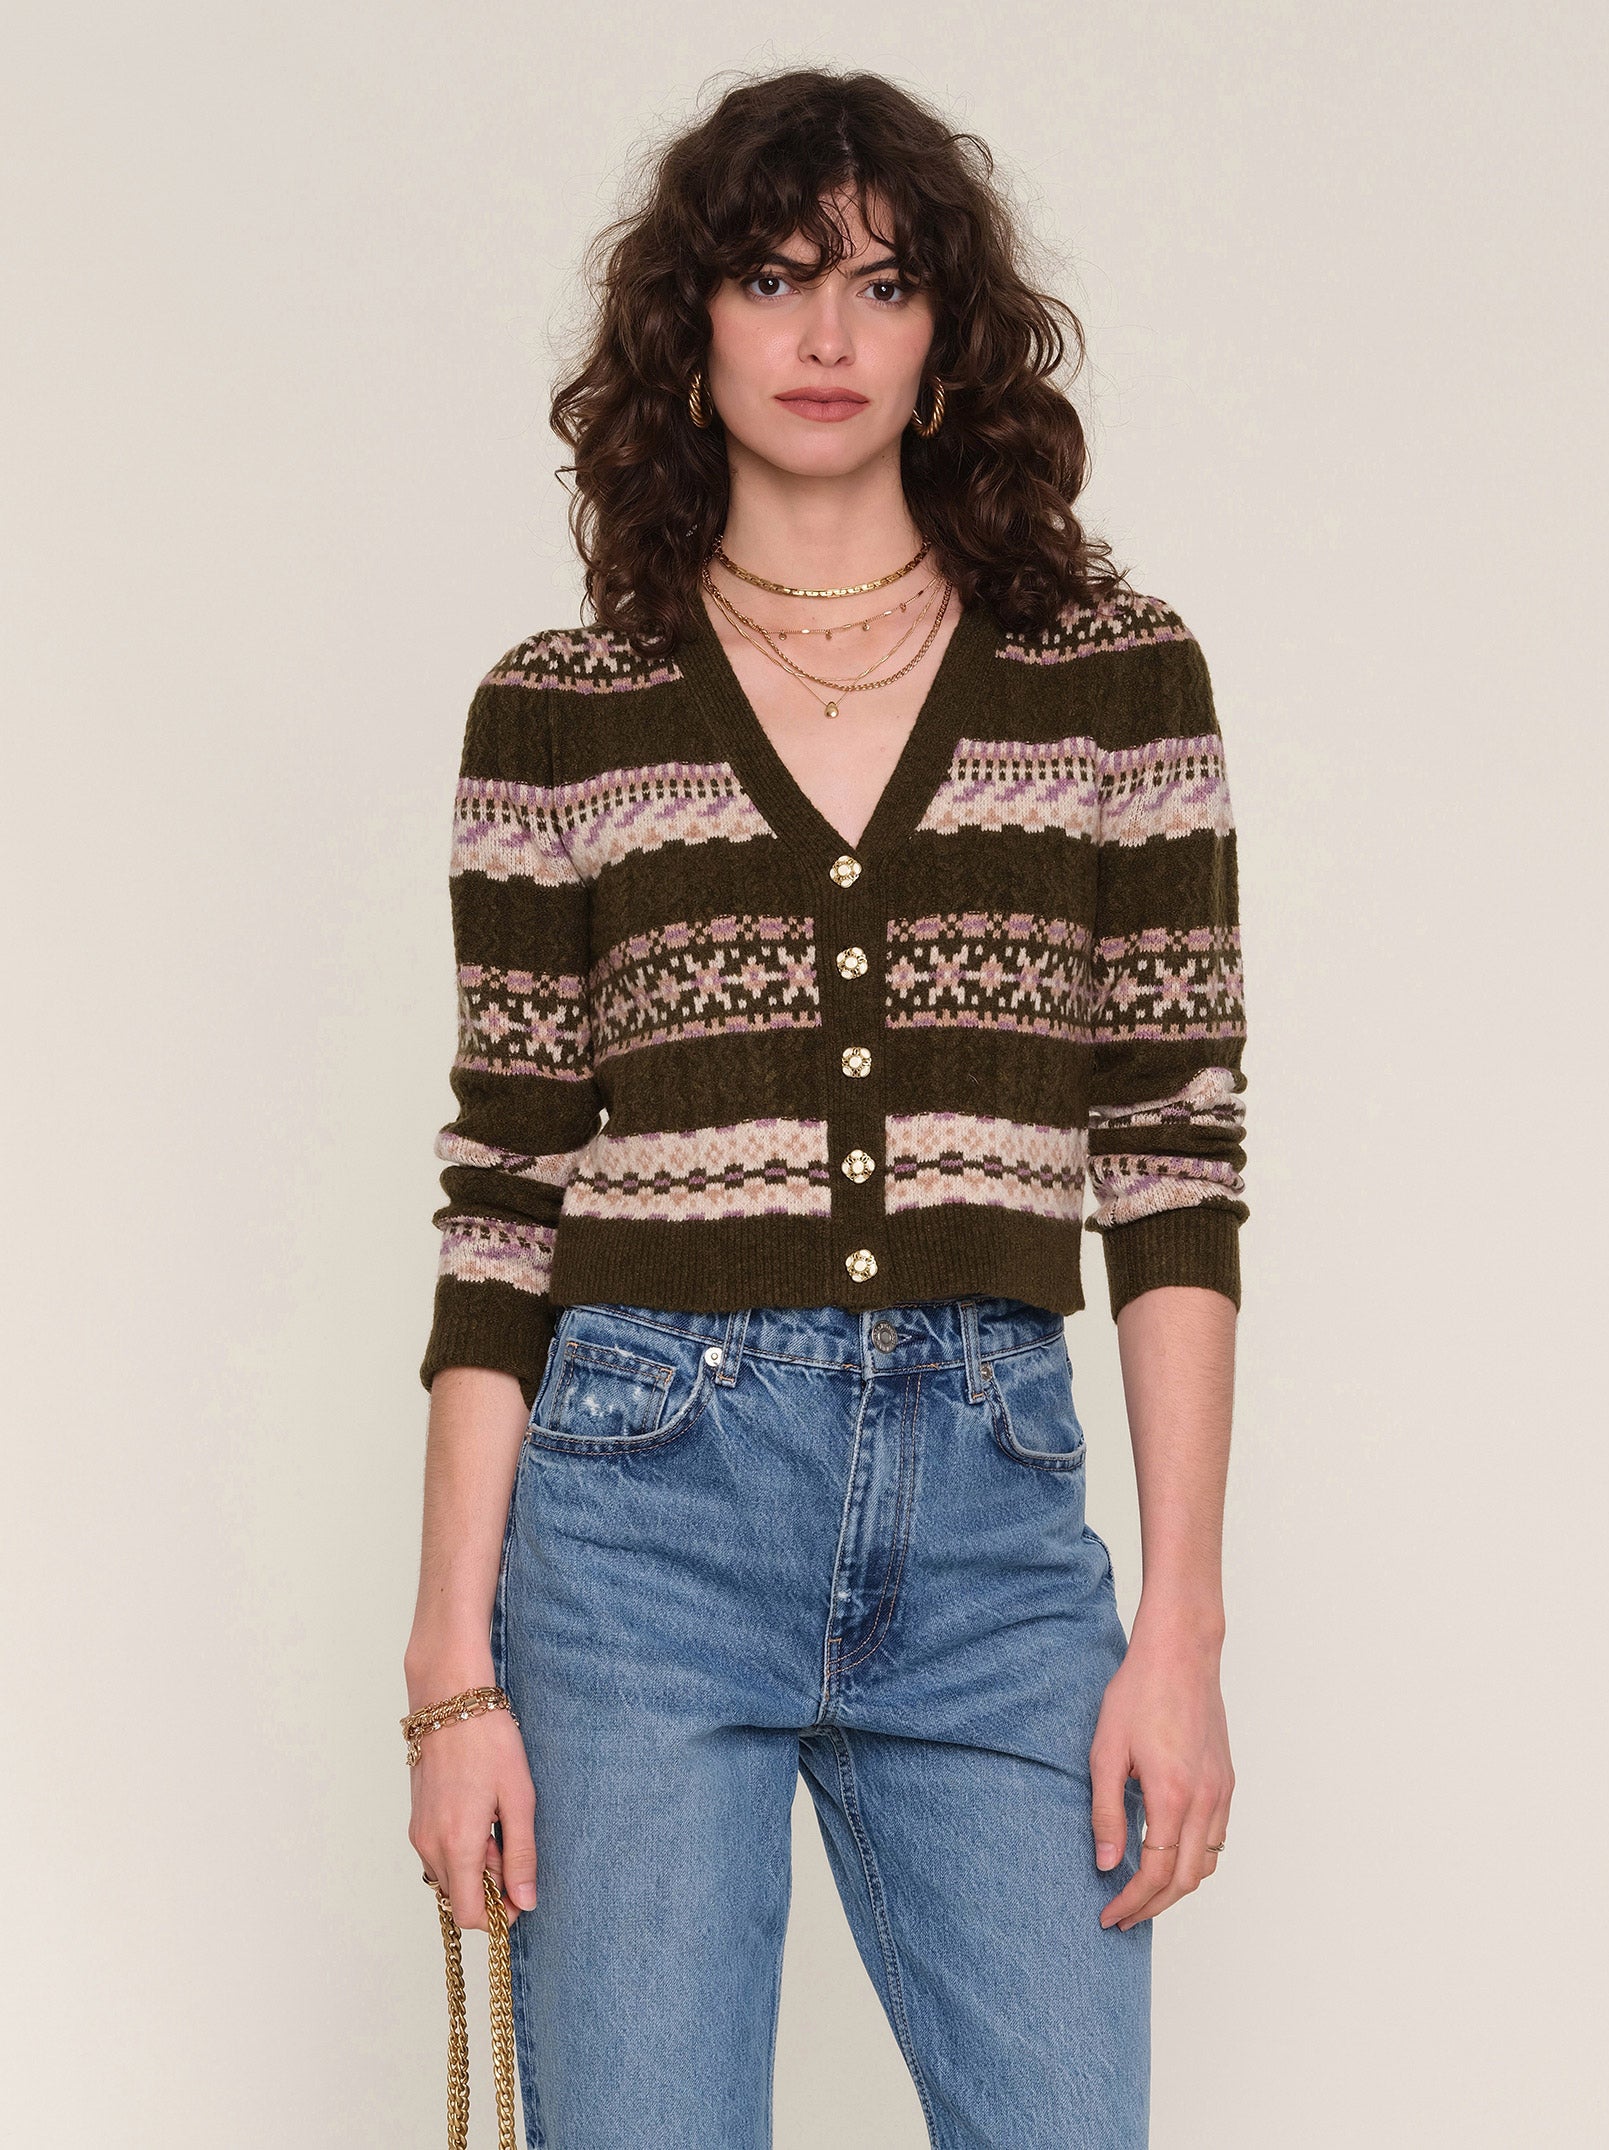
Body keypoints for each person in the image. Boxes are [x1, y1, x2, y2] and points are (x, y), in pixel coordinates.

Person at [403, 66, 1245, 2150]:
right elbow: (504, 1199)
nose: (826, 334)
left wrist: (1181, 1626)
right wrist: (450, 1675)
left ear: (948, 335)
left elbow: (1171, 1159)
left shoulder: (1112, 681)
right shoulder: (562, 713)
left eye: (881, 283)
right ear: (687, 327)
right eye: (773, 280)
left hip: (991, 1520)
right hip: (638, 1520)